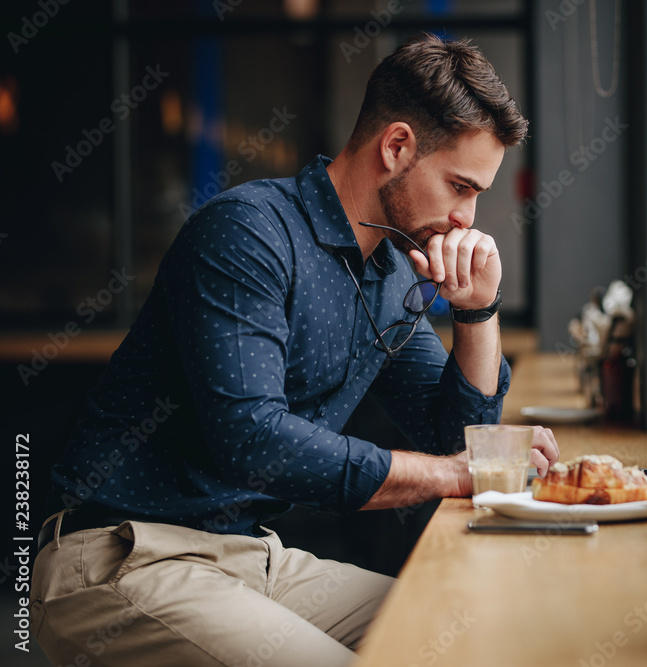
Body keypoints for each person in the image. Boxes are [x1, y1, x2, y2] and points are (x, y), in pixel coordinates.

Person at [31, 33, 559, 667]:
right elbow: (254, 440)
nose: (466, 219)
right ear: (395, 148)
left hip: (252, 557)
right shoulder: (249, 232)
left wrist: (477, 311)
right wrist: (451, 473)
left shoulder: (390, 276)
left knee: (465, 635)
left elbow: (460, 439)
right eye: (460, 187)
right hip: (126, 557)